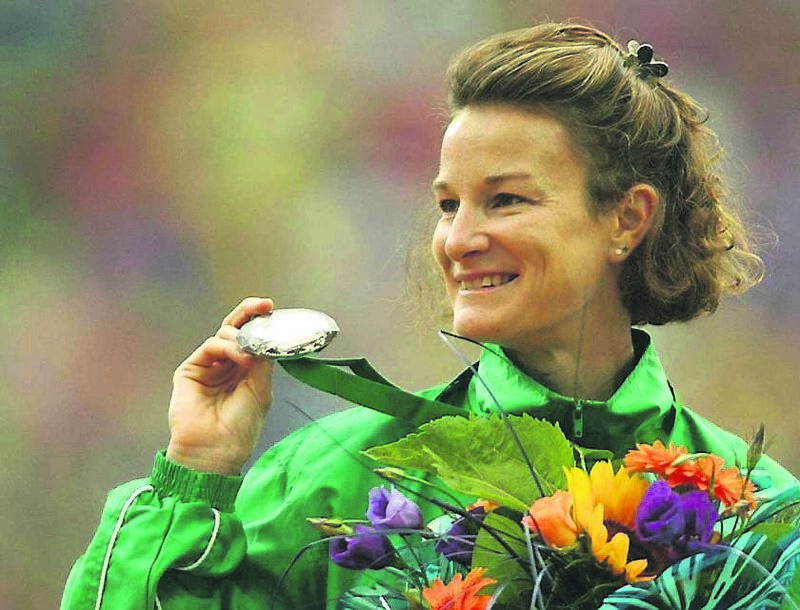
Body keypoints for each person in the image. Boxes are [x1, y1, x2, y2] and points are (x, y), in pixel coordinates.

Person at [61, 22, 798, 609]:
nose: (458, 239)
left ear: (626, 219)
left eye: (506, 199)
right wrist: (199, 469)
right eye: (450, 204)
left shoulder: (759, 510)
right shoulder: (337, 476)